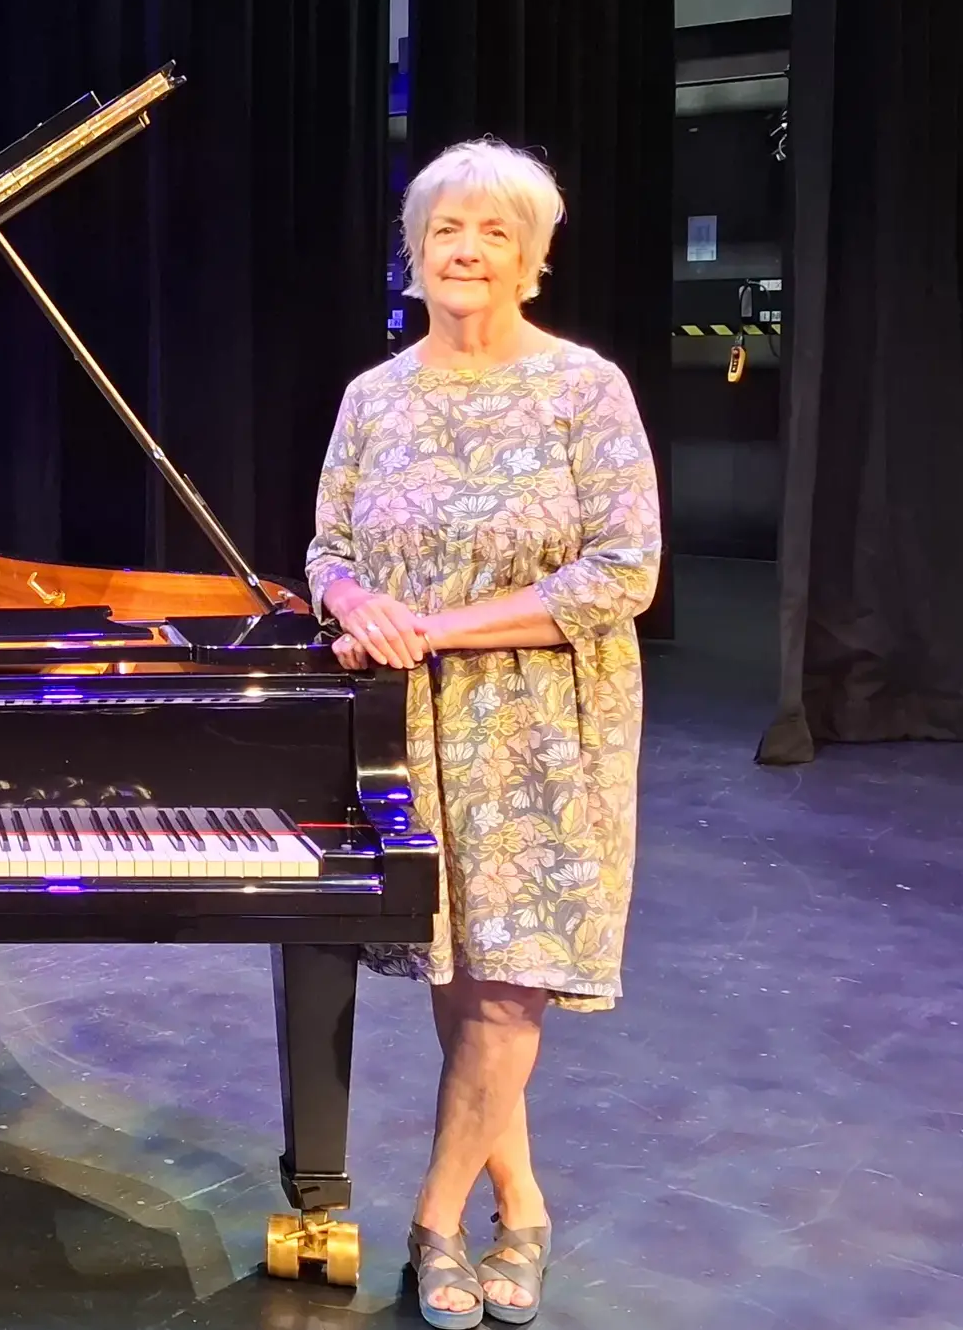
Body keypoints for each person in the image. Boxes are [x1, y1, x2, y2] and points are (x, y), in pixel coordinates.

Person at [305, 141, 660, 1329]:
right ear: (413, 253)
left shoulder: (583, 389)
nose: (465, 250)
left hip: (547, 731)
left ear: (533, 259)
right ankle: (529, 1209)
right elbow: (327, 550)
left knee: (510, 992)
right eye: (445, 230)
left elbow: (625, 568)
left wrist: (439, 625)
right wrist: (351, 603)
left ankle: (437, 1220)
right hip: (409, 725)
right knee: (461, 983)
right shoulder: (374, 396)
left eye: (494, 233)